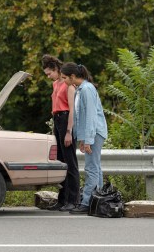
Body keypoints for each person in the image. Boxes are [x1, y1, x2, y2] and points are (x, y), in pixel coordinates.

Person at [60, 62, 108, 215]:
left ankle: (87, 202)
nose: (63, 81)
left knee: (91, 168)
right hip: (92, 133)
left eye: (64, 78)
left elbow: (91, 117)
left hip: (94, 133)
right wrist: (82, 138)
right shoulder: (82, 89)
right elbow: (81, 116)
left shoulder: (86, 89)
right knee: (96, 167)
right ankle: (98, 200)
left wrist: (88, 140)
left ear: (73, 76)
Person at [41, 55, 80, 211]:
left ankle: (73, 199)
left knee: (70, 163)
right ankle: (62, 199)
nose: (48, 76)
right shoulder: (55, 85)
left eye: (50, 73)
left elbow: (72, 110)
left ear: (56, 69)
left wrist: (69, 132)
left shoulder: (68, 85)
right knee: (61, 162)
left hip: (65, 120)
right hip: (57, 120)